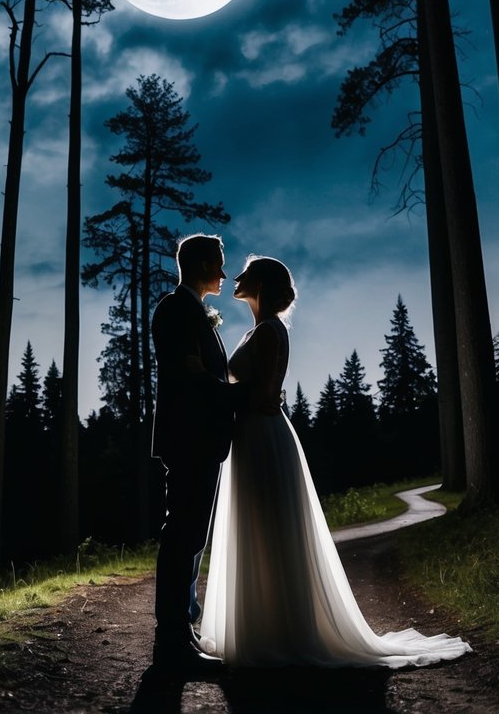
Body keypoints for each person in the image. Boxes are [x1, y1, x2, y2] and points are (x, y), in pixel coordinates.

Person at [199, 255, 472, 669]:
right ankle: (262, 627)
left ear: (263, 285)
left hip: (262, 436)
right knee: (258, 529)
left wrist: (218, 395)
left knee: (271, 528)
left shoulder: (270, 331)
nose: (235, 277)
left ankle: (282, 633)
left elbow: (262, 396)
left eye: (246, 274)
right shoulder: (260, 330)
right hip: (251, 435)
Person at [151, 232, 245, 672]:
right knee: (182, 534)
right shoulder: (175, 310)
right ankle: (170, 640)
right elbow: (188, 378)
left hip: (201, 439)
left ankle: (180, 632)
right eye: (220, 263)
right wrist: (237, 396)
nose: (224, 274)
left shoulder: (195, 313)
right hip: (188, 437)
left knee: (191, 535)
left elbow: (201, 374)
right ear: (203, 264)